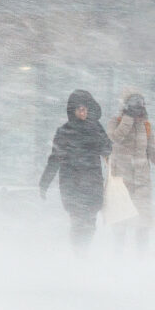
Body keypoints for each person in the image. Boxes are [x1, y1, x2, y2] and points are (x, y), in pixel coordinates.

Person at [39, 90, 112, 252]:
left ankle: (83, 251)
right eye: (79, 109)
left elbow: (107, 150)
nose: (82, 112)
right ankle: (78, 252)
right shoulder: (64, 132)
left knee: (90, 222)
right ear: (73, 111)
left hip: (92, 183)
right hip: (72, 184)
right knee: (77, 221)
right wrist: (44, 182)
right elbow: (55, 159)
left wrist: (99, 135)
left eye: (85, 109)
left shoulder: (95, 129)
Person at [107, 89, 155, 253]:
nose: (138, 108)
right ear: (126, 106)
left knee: (143, 221)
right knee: (121, 221)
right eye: (134, 104)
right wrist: (127, 119)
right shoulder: (116, 121)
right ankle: (118, 254)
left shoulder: (145, 126)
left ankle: (142, 256)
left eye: (140, 104)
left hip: (142, 181)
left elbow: (152, 150)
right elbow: (115, 138)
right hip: (121, 179)